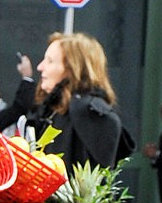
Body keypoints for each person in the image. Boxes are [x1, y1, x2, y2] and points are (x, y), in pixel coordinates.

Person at [8, 31, 135, 174]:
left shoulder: (88, 113)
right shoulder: (51, 109)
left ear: (72, 69)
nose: (40, 67)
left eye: (50, 61)